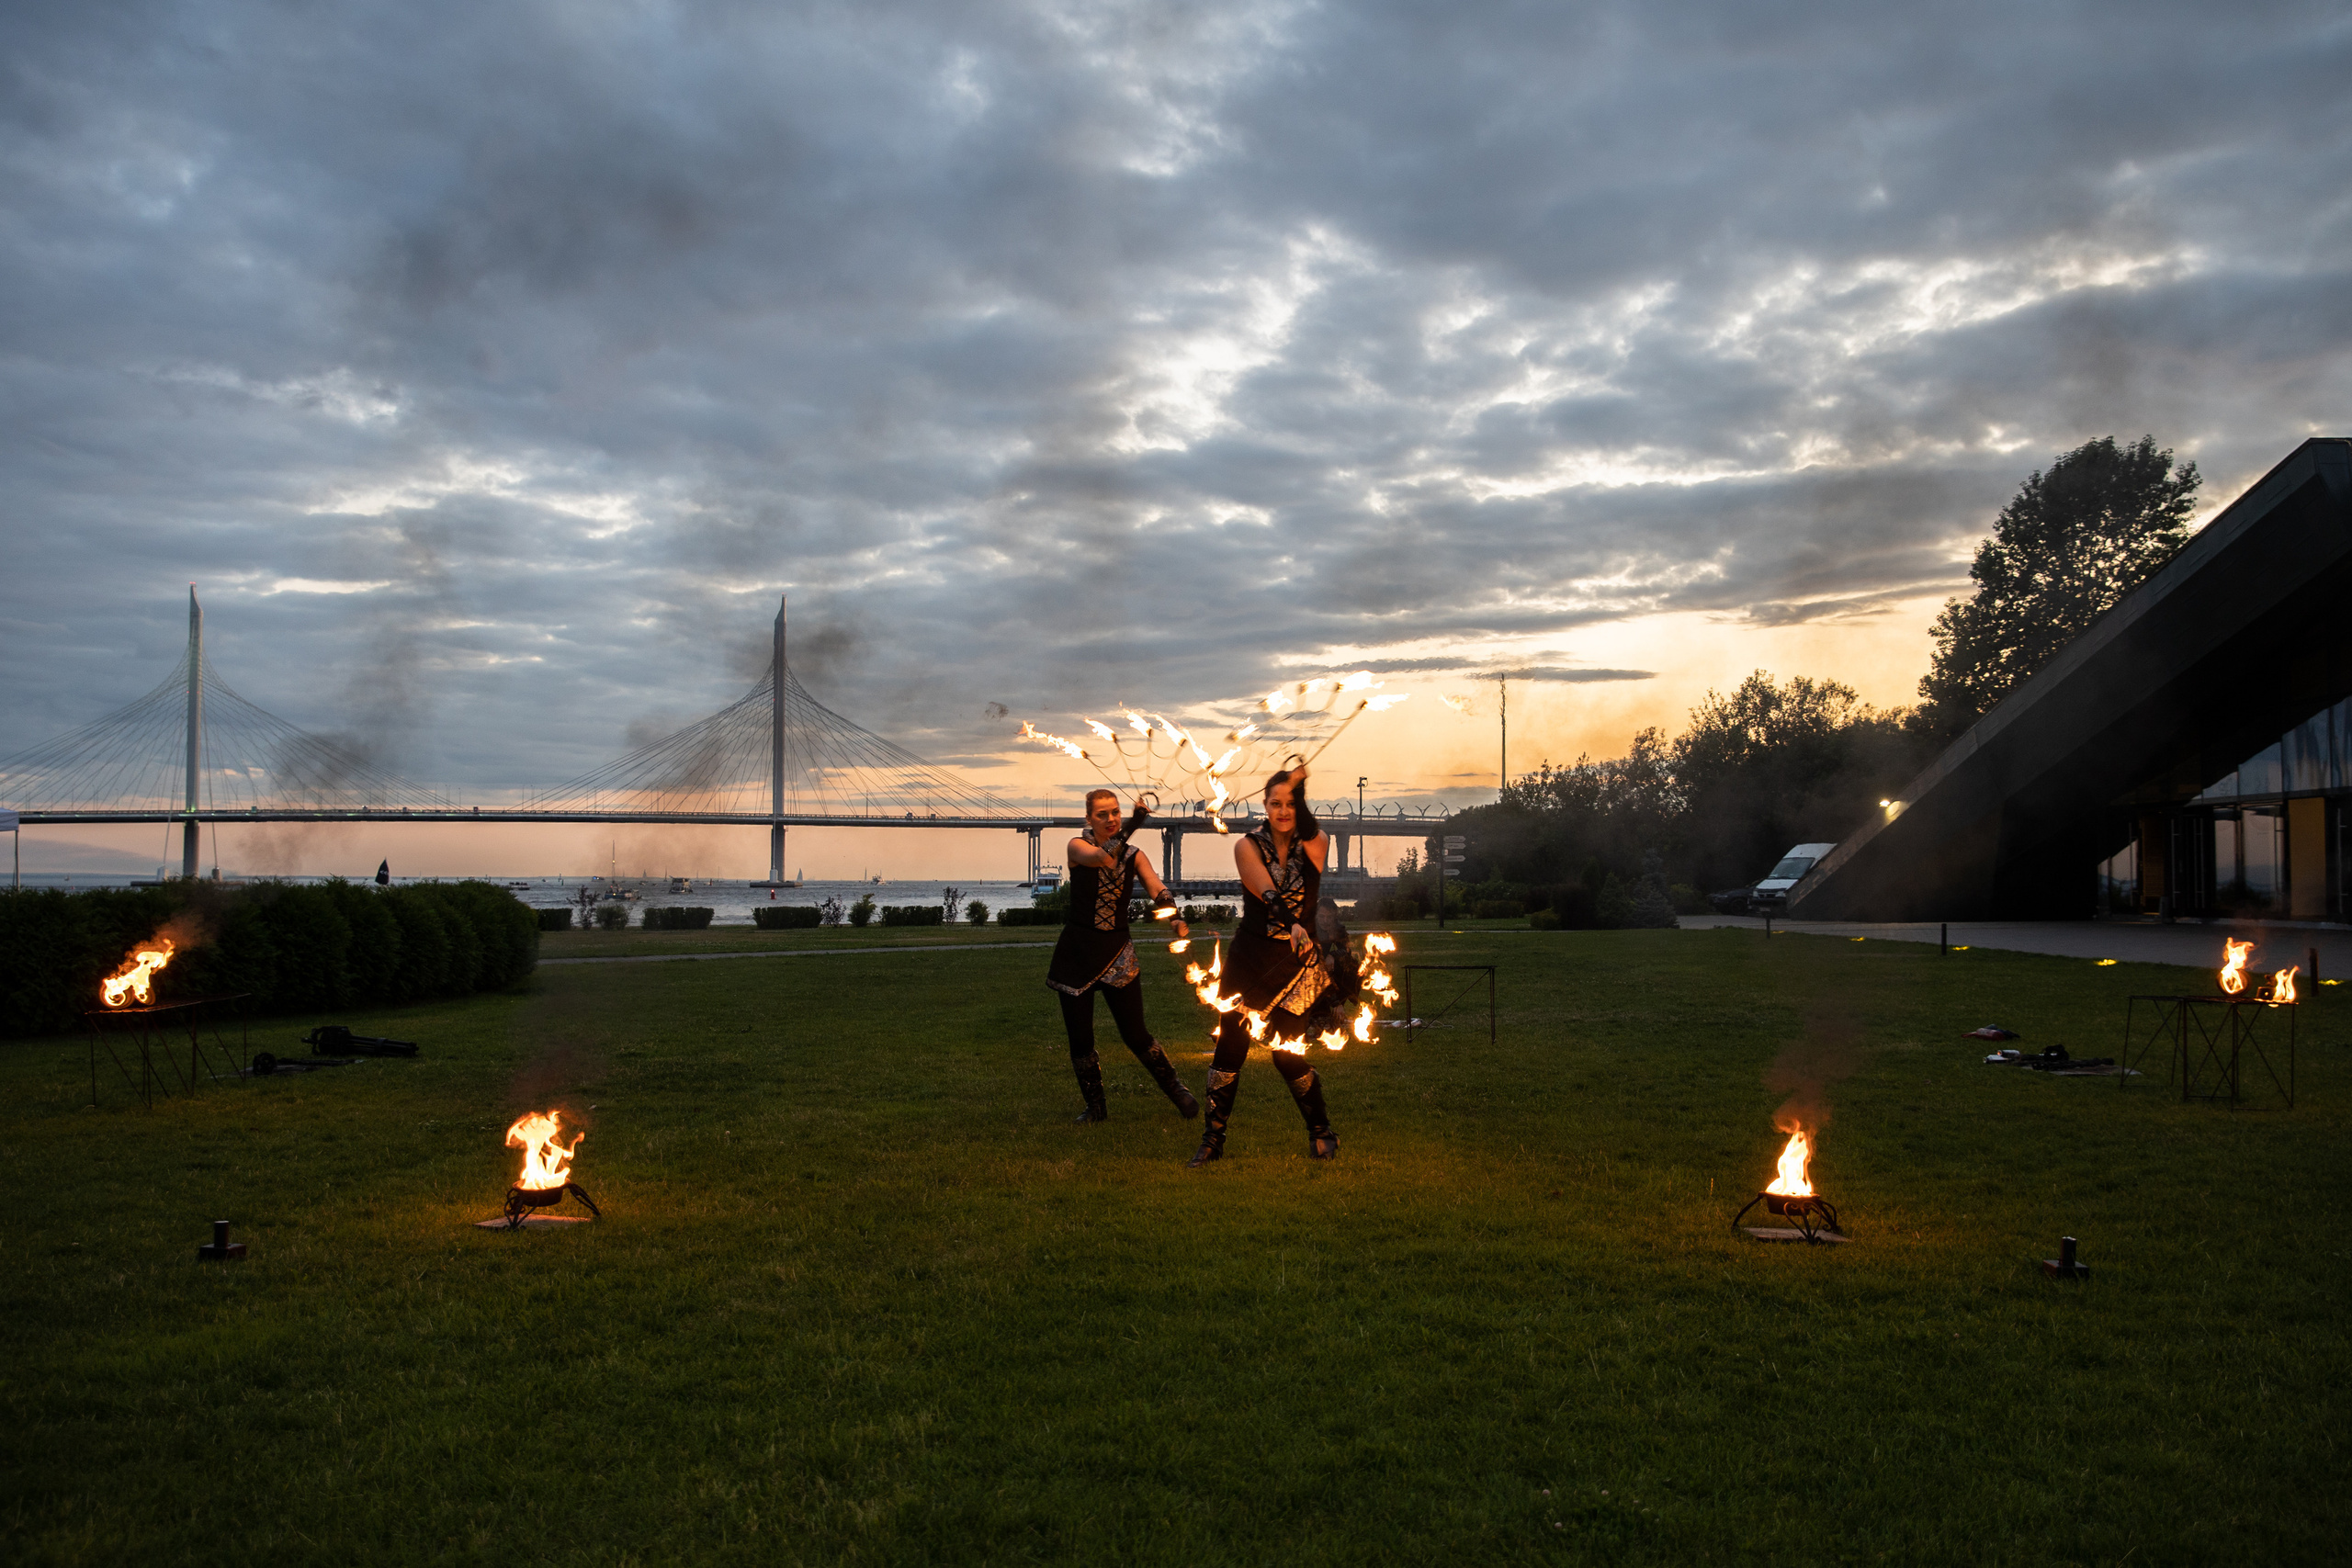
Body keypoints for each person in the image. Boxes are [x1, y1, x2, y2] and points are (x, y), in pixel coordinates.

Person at [1188, 762, 1338, 1167]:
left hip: (1297, 965)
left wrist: (1299, 786)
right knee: (1229, 1049)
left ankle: (1322, 1133)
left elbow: (1311, 836)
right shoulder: (1246, 846)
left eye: (1290, 803)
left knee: (1287, 1053)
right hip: (1250, 961)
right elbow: (1267, 890)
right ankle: (1212, 1142)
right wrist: (1291, 923)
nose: (1283, 811)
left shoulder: (1318, 841)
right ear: (1264, 806)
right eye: (1275, 803)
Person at [1046, 789, 1198, 1122]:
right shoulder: (1077, 847)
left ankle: (1178, 1092)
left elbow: (1156, 886)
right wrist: (1134, 822)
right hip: (1078, 952)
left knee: (1135, 1032)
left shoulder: (1135, 855)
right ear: (1089, 819)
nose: (1111, 819)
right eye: (1102, 814)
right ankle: (1096, 1107)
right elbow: (1102, 858)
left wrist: (1173, 916)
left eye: (1115, 812)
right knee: (1081, 1038)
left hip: (1117, 952)